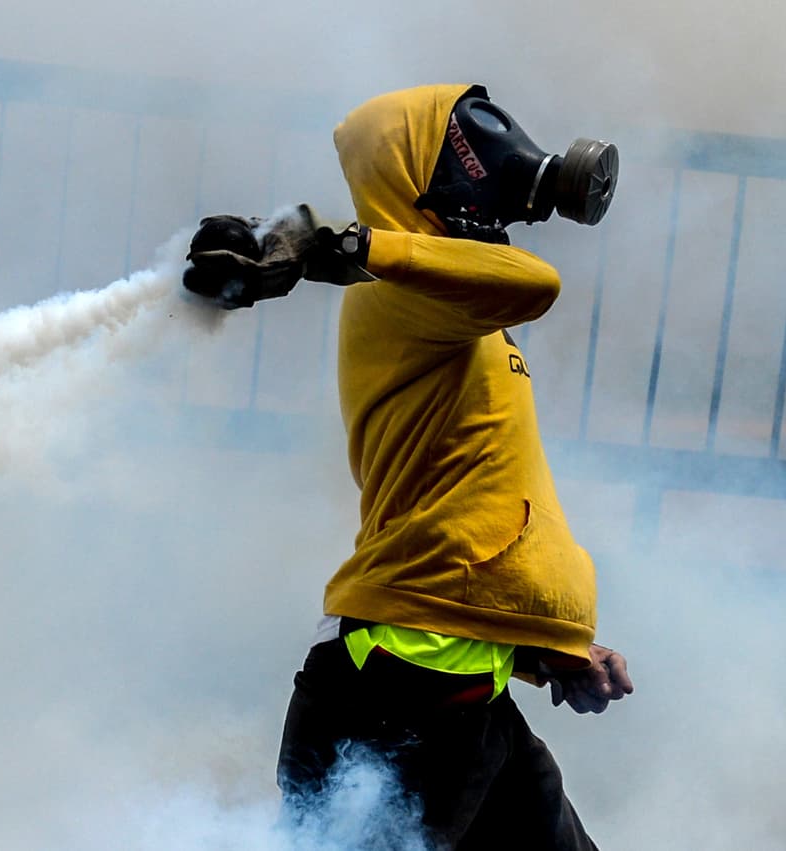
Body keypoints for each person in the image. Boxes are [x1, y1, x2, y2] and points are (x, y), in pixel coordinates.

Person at [183, 84, 633, 849]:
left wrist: (549, 645)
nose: (504, 158)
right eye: (477, 142)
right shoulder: (399, 299)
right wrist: (355, 248)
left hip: (460, 683)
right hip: (396, 691)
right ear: (413, 173)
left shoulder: (460, 309)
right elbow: (537, 283)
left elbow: (480, 498)